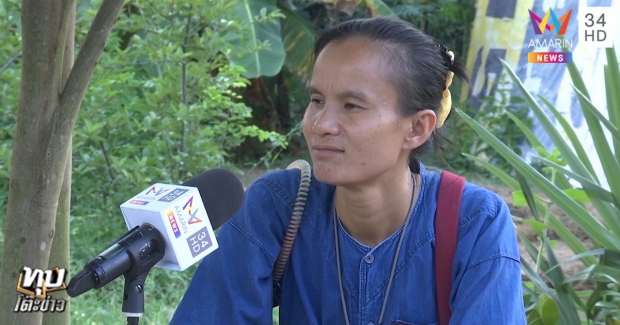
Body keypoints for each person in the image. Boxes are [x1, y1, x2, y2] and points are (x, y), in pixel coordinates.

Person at [170, 16, 525, 325]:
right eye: (316, 100)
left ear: (417, 128)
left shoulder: (474, 221)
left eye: (352, 105)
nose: (321, 124)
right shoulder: (276, 206)